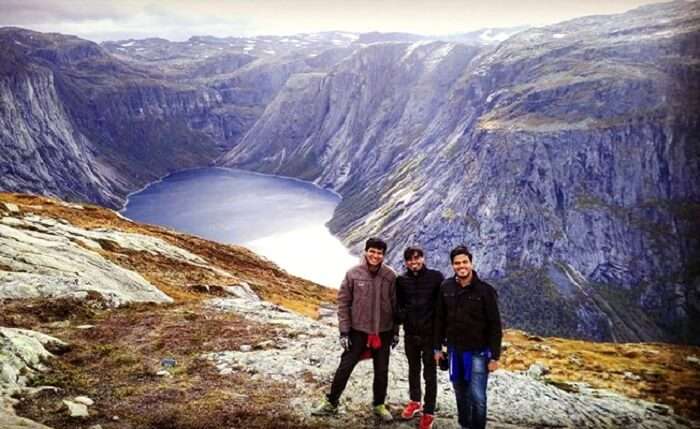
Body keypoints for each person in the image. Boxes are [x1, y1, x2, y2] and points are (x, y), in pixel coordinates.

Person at [312, 237, 399, 422]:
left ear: (384, 255)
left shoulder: (390, 276)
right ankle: (331, 402)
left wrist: (396, 332)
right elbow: (343, 303)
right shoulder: (353, 274)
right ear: (366, 251)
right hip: (357, 331)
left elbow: (395, 306)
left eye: (379, 253)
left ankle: (379, 405)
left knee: (381, 370)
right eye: (372, 251)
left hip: (383, 331)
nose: (375, 256)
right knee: (345, 367)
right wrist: (344, 331)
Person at [434, 245, 502, 429]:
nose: (461, 266)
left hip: (478, 352)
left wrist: (495, 356)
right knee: (459, 390)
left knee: (478, 396)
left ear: (471, 263)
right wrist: (437, 348)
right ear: (452, 265)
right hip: (455, 350)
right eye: (457, 263)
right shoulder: (446, 287)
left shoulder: (485, 291)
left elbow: (495, 325)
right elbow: (439, 319)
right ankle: (464, 425)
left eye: (465, 262)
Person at [396, 246, 444, 429]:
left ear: (423, 258)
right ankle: (415, 401)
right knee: (413, 369)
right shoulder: (401, 280)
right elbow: (398, 305)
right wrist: (401, 319)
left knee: (430, 374)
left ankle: (429, 412)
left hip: (430, 336)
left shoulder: (435, 277)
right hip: (410, 334)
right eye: (410, 260)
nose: (414, 263)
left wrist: (442, 339)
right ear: (406, 262)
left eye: (417, 259)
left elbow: (442, 307)